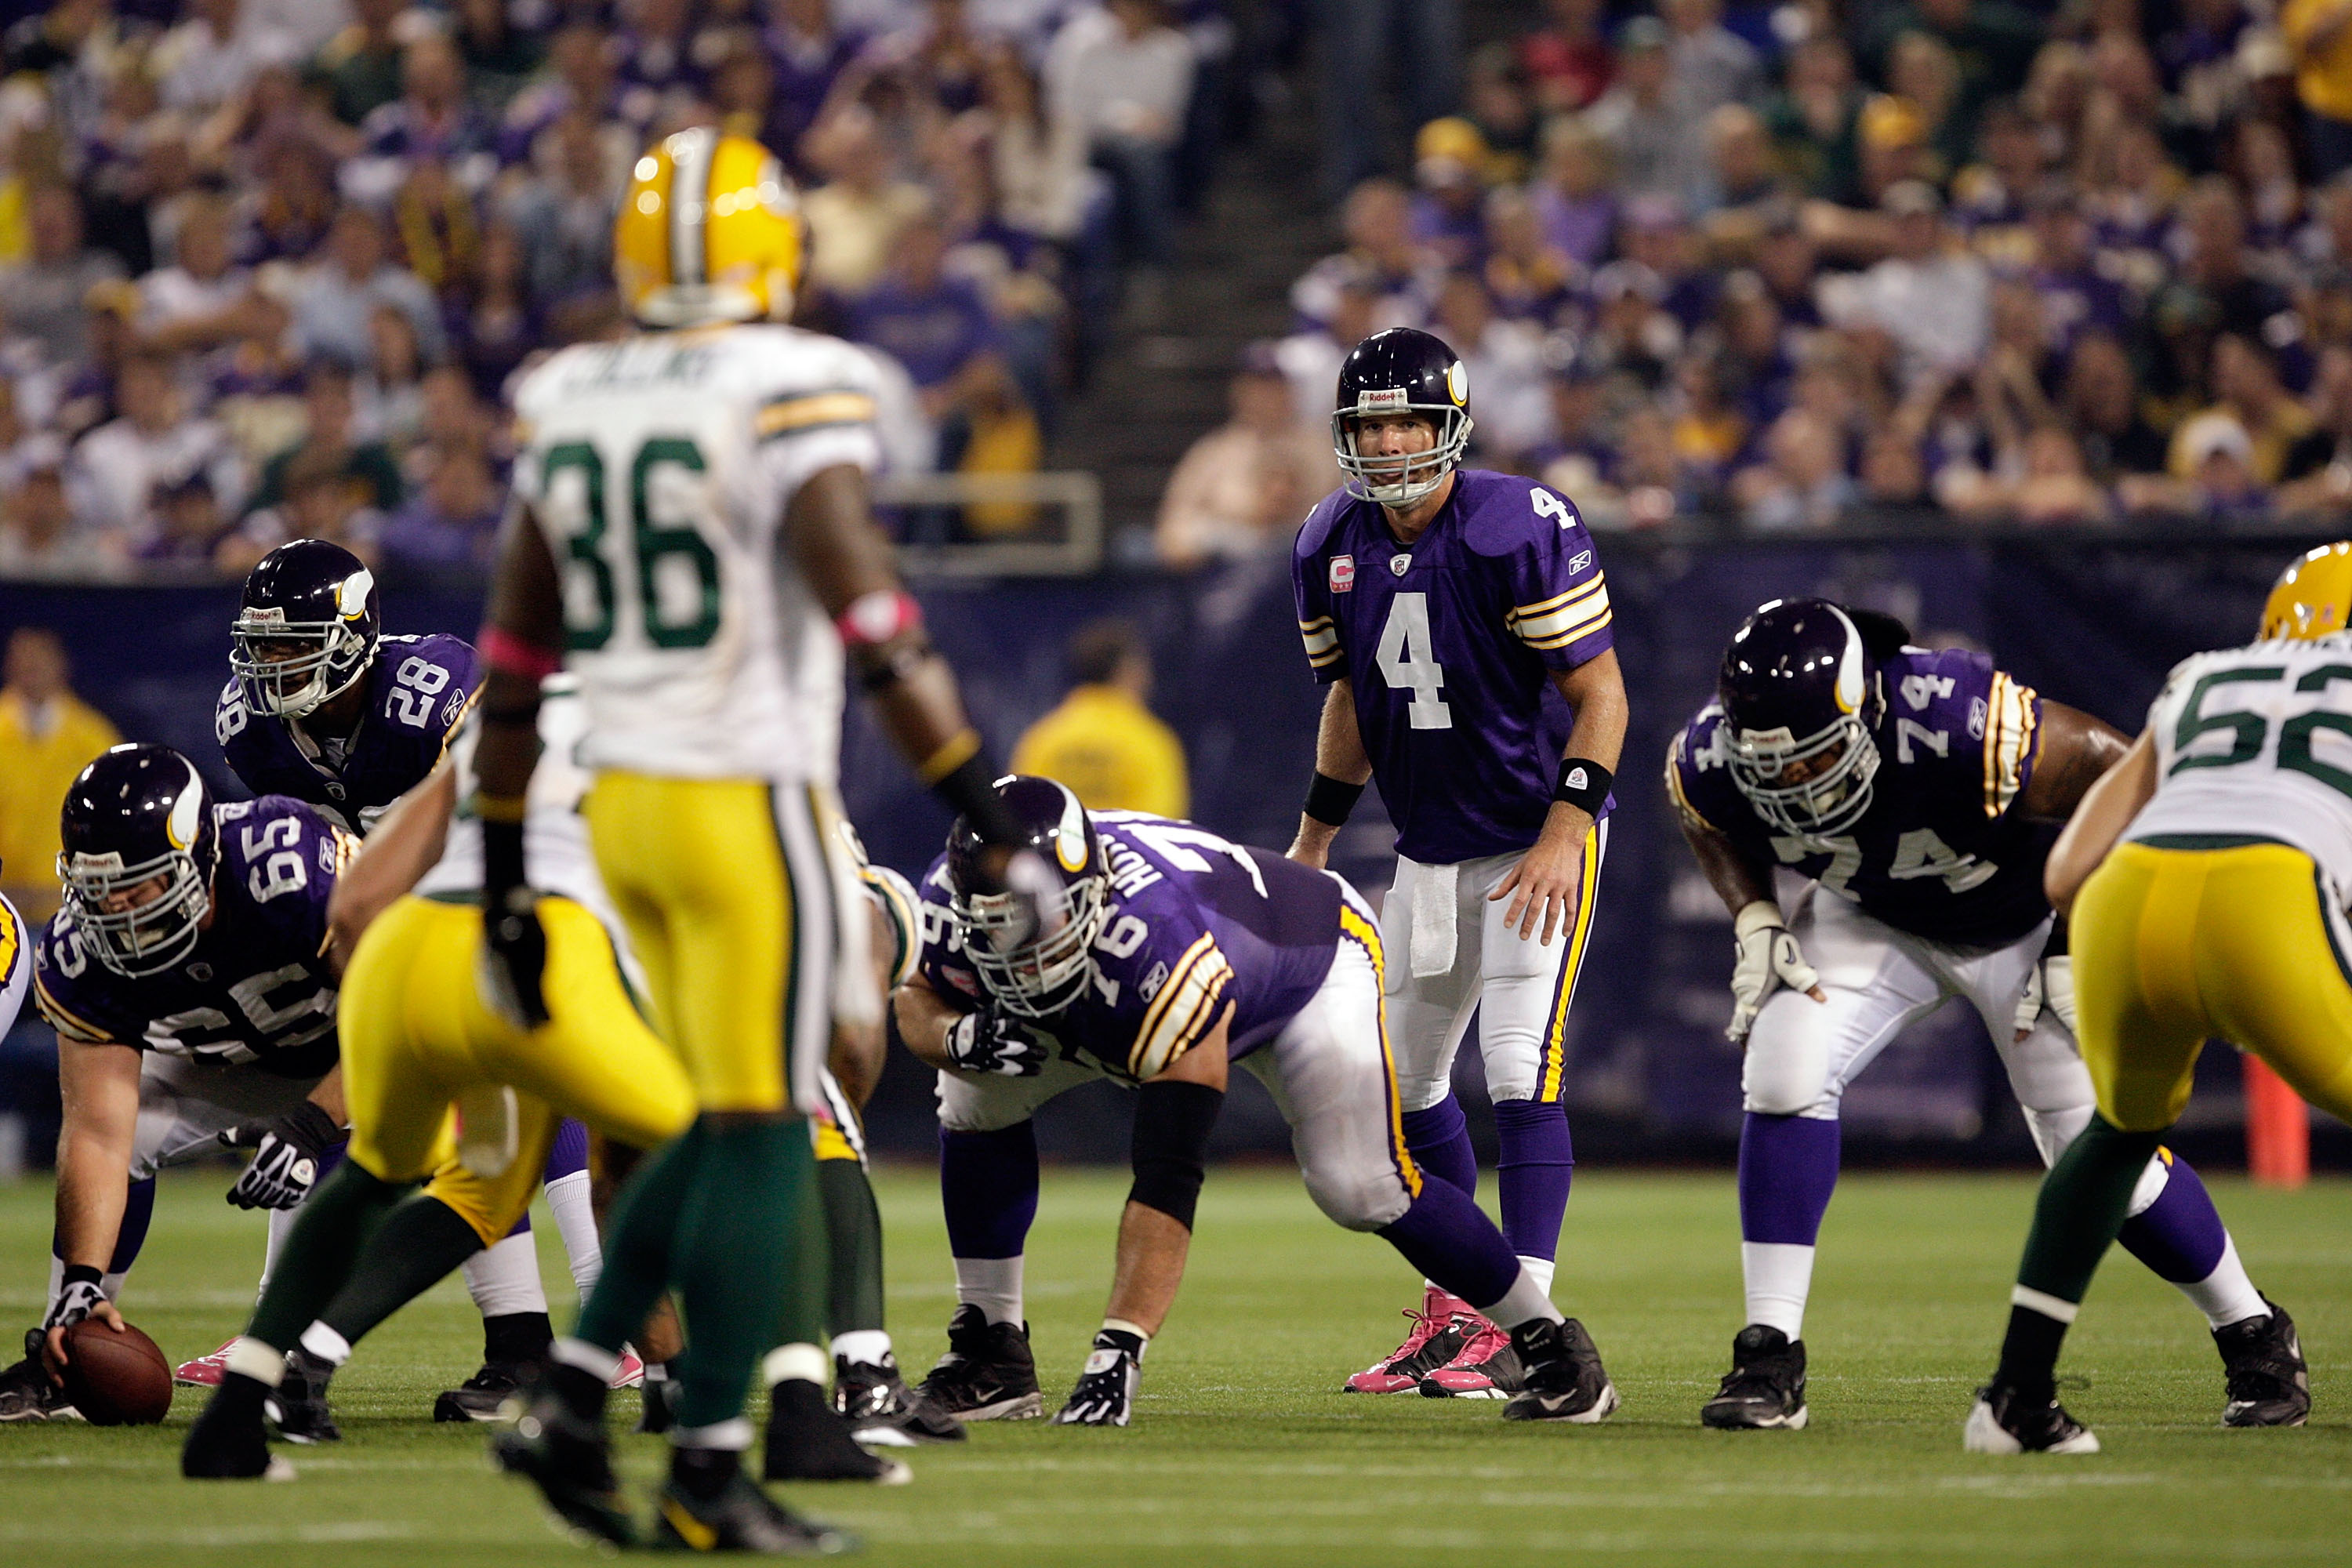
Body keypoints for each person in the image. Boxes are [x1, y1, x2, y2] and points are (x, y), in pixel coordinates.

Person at [476, 129, 1046, 1552]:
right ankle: (704, 1452)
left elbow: (514, 654)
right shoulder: (794, 382)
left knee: (722, 1125)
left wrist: (495, 864)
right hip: (749, 803)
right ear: (771, 250)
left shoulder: (571, 392)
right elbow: (871, 619)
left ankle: (599, 1405)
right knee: (759, 1126)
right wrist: (982, 801)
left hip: (615, 815)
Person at [1665, 598, 2303, 1432]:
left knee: (2092, 1147)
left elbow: (2129, 780)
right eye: (1770, 771)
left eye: (1808, 763)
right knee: (1783, 1070)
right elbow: (1704, 810)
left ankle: (2252, 1327)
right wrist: (1754, 912)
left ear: (1865, 712)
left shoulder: (1960, 718)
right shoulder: (1712, 753)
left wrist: (2079, 934)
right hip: (1875, 916)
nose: (1792, 786)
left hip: (2026, 922)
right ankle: (1768, 1352)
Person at [901, 777, 1619, 1428]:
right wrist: (962, 1037)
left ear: (1090, 891)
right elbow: (915, 1003)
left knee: (1359, 1185)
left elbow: (1169, 1171)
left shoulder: (1161, 943)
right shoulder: (948, 897)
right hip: (1123, 990)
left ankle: (1551, 1345)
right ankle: (992, 1352)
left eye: (1044, 925)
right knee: (971, 1090)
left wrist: (1117, 1352)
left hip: (1303, 964)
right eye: (1003, 927)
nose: (1027, 952)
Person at [176, 681, 697, 1478]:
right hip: (547, 958)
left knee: (416, 1182)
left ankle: (270, 1380)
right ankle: (732, 1396)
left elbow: (356, 903)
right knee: (725, 1151)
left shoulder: (511, 708)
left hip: (409, 951)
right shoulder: (699, 735)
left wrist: (356, 1032)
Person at [1287, 326, 1628, 1399]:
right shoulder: (1325, 540)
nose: (1389, 443)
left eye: (1408, 421)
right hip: (1430, 849)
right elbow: (1352, 699)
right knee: (1400, 1088)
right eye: (1371, 423)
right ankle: (1465, 1317)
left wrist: (1569, 829)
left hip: (1536, 835)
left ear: (1450, 427)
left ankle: (1532, 1325)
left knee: (1522, 1067)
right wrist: (1315, 836)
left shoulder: (1516, 525)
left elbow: (1602, 695)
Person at [1968, 546, 2347, 1454]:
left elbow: (2066, 869)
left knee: (2113, 1140)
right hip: (2271, 899)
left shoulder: (2204, 677)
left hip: (2126, 903)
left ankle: (2016, 1398)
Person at [0, 746, 353, 1423]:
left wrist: (313, 1123)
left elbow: (398, 1015)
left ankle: (510, 1343)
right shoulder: (80, 948)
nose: (119, 913)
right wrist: (82, 1281)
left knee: (438, 1139)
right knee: (130, 1135)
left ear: (198, 857)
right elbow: (99, 1135)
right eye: (100, 891)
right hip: (214, 1058)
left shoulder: (288, 866)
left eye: (140, 887)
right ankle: (62, 1346)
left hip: (348, 1051)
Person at [216, 540, 477, 837]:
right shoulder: (247, 725)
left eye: (297, 643)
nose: (274, 661)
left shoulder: (429, 694)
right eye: (265, 644)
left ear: (352, 640)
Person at [1011, 619, 1189, 818]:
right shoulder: (1150, 742)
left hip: (1058, 848)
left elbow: (1022, 814)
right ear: (1128, 670)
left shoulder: (1043, 739)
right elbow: (1161, 825)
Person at [0, 629, 119, 924]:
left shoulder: (94, 737)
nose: (33, 669)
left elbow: (114, 823)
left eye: (41, 661)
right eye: (24, 662)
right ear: (9, 667)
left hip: (71, 909)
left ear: (61, 667)